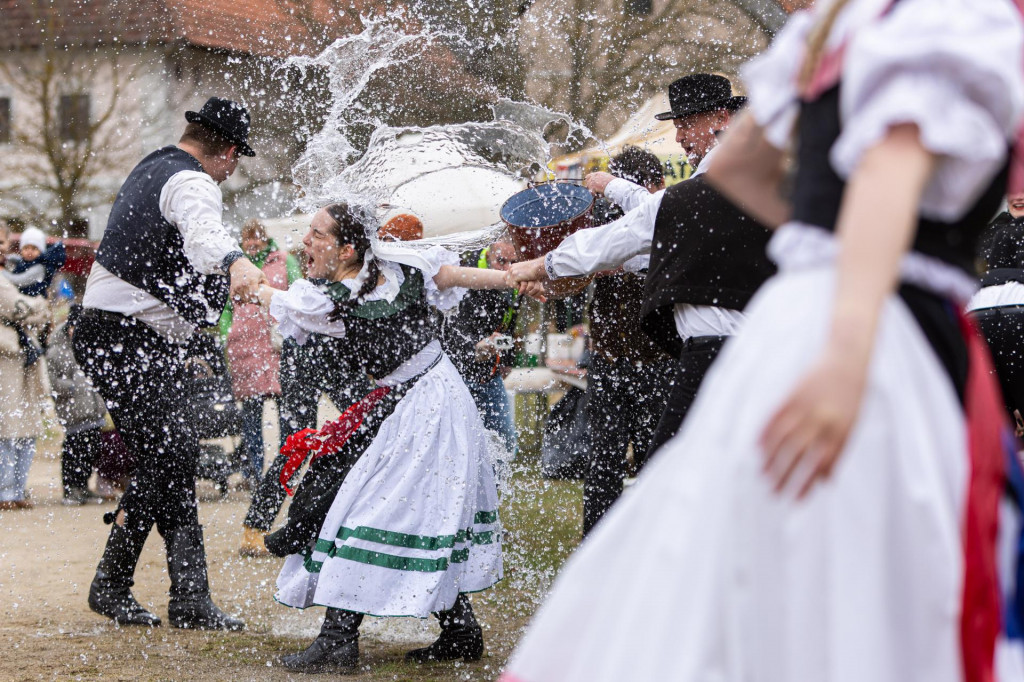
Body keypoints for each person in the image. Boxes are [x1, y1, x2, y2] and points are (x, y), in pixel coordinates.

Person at [501, 1, 1024, 680]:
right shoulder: (921, 24)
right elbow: (876, 179)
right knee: (847, 553)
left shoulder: (853, 32)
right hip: (862, 323)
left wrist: (819, 241)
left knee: (760, 535)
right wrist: (846, 343)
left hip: (808, 323)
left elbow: (751, 177)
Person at [255, 202, 509, 674]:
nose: (306, 241)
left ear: (347, 249)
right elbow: (280, 299)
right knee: (418, 512)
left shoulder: (397, 270)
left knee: (374, 511)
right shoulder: (338, 294)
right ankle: (460, 630)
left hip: (430, 403)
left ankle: (338, 641)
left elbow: (451, 275)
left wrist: (516, 277)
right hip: (416, 400)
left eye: (317, 234)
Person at [508, 73, 776, 458]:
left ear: (721, 118)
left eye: (687, 124)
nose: (679, 137)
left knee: (670, 468)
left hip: (716, 351)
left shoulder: (716, 186)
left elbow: (636, 228)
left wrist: (542, 265)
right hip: (736, 350)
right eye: (678, 126)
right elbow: (658, 223)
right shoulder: (743, 177)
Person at [73, 96, 265, 630]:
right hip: (124, 336)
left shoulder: (153, 165)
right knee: (170, 455)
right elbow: (204, 237)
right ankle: (141, 589)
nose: (231, 172)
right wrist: (236, 262)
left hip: (124, 335)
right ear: (229, 152)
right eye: (236, 160)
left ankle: (174, 594)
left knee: (170, 459)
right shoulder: (192, 181)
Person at [219, 218, 300, 484]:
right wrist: (227, 333)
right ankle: (254, 472)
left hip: (278, 347)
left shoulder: (284, 261)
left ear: (265, 240)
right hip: (245, 351)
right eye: (247, 239)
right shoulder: (236, 268)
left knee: (287, 413)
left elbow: (298, 292)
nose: (252, 243)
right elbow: (226, 309)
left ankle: (285, 471)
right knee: (251, 417)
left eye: (256, 238)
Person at [440, 239, 520, 457]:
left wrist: (507, 360)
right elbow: (451, 332)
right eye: (501, 261)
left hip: (489, 374)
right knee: (459, 447)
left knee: (505, 445)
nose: (507, 269)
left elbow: (510, 323)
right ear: (489, 253)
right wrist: (477, 348)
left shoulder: (514, 276)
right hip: (457, 375)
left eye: (513, 262)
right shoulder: (465, 273)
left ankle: (494, 479)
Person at [0, 225, 51, 511]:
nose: (0, 247)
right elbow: (16, 306)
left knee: (27, 425)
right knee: (8, 426)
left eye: (2, 241)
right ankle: (5, 490)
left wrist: (36, 309)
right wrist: (40, 305)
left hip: (23, 357)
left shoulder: (16, 273)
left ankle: (17, 488)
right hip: (6, 358)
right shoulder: (7, 280)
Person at [968, 193, 1024, 431]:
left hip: (977, 311)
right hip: (1003, 309)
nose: (1018, 195)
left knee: (1000, 422)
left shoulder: (991, 232)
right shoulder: (992, 232)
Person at [46, 304, 108, 505]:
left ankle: (83, 485)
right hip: (72, 408)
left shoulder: (92, 345)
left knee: (91, 449)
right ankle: (71, 488)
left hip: (93, 407)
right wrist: (73, 387)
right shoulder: (57, 350)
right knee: (74, 449)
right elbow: (51, 380)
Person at [2, 226, 66, 298]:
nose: (29, 252)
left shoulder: (39, 267)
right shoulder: (26, 262)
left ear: (41, 251)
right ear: (21, 250)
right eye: (26, 248)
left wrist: (2, 272)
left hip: (35, 299)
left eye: (34, 248)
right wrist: (8, 258)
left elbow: (21, 280)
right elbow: (19, 260)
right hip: (24, 296)